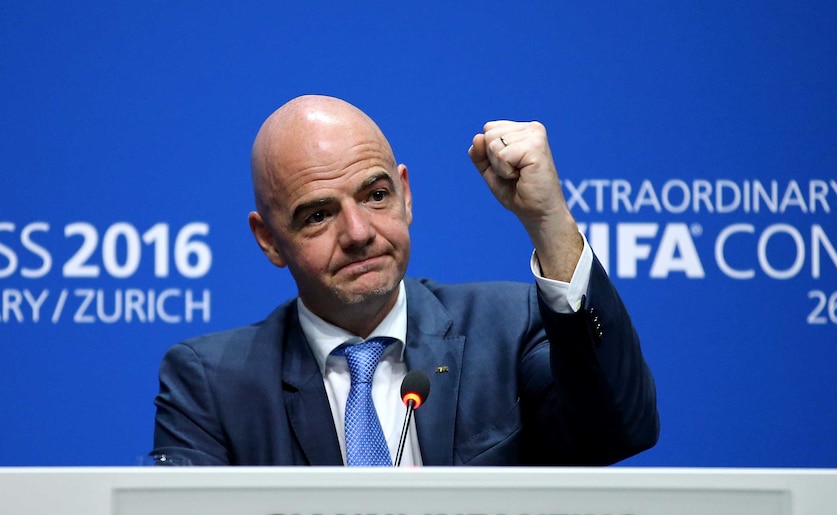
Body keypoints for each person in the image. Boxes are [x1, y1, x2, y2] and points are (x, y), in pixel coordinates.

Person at [151, 95, 658, 466]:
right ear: (268, 240)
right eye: (318, 216)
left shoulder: (507, 329)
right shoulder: (213, 382)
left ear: (406, 194)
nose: (358, 232)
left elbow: (618, 431)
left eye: (375, 195)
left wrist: (551, 224)